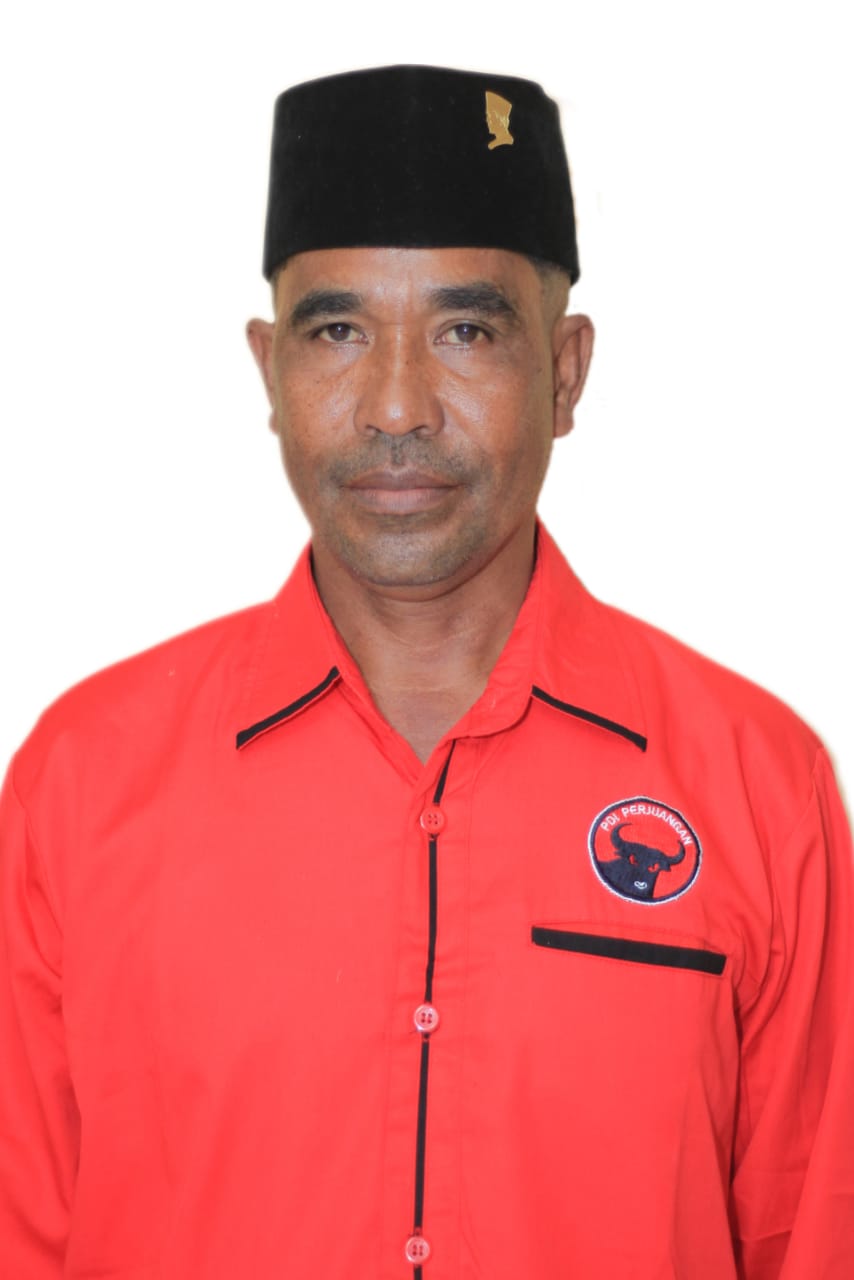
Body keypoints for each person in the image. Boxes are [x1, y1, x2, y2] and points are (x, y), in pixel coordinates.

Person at [1, 63, 851, 1280]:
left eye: (465, 331)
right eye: (337, 331)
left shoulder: (756, 786)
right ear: (268, 371)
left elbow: (812, 1238)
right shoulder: (81, 783)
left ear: (565, 372)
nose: (395, 406)